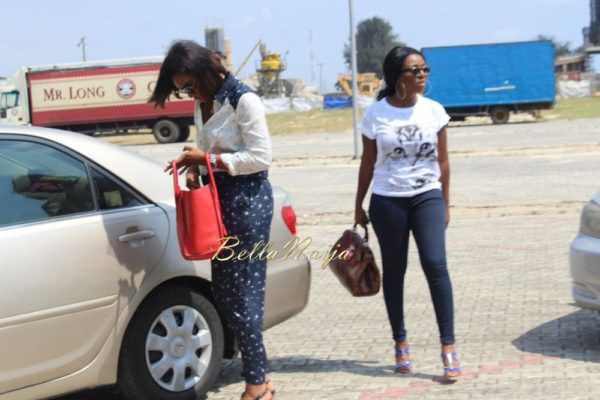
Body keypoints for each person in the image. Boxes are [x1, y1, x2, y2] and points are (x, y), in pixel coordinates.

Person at [150, 40, 276, 399]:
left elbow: (262, 157)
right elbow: (209, 148)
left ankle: (256, 385)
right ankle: (262, 376)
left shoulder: (243, 101)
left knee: (245, 296)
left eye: (189, 84)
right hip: (217, 201)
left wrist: (208, 161)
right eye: (182, 89)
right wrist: (197, 169)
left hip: (247, 203)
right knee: (224, 292)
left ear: (208, 71)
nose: (188, 92)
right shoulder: (202, 103)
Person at [354, 46, 461, 379]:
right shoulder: (376, 114)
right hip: (388, 200)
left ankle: (448, 347)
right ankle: (400, 340)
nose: (422, 75)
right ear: (397, 76)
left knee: (435, 264)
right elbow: (368, 162)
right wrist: (358, 204)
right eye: (415, 70)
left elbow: (443, 161)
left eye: (425, 69)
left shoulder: (434, 111)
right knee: (395, 270)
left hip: (426, 196)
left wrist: (445, 202)